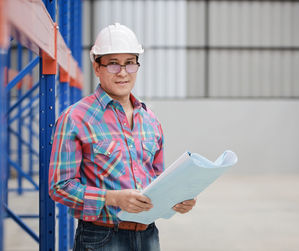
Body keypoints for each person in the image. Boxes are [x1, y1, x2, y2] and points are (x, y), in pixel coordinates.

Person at [49, 23, 196, 251]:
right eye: (113, 64)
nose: (123, 72)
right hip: (101, 238)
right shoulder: (75, 118)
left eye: (129, 63)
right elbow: (60, 187)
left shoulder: (150, 120)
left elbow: (157, 181)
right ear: (97, 67)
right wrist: (112, 198)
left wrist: (176, 200)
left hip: (148, 235)